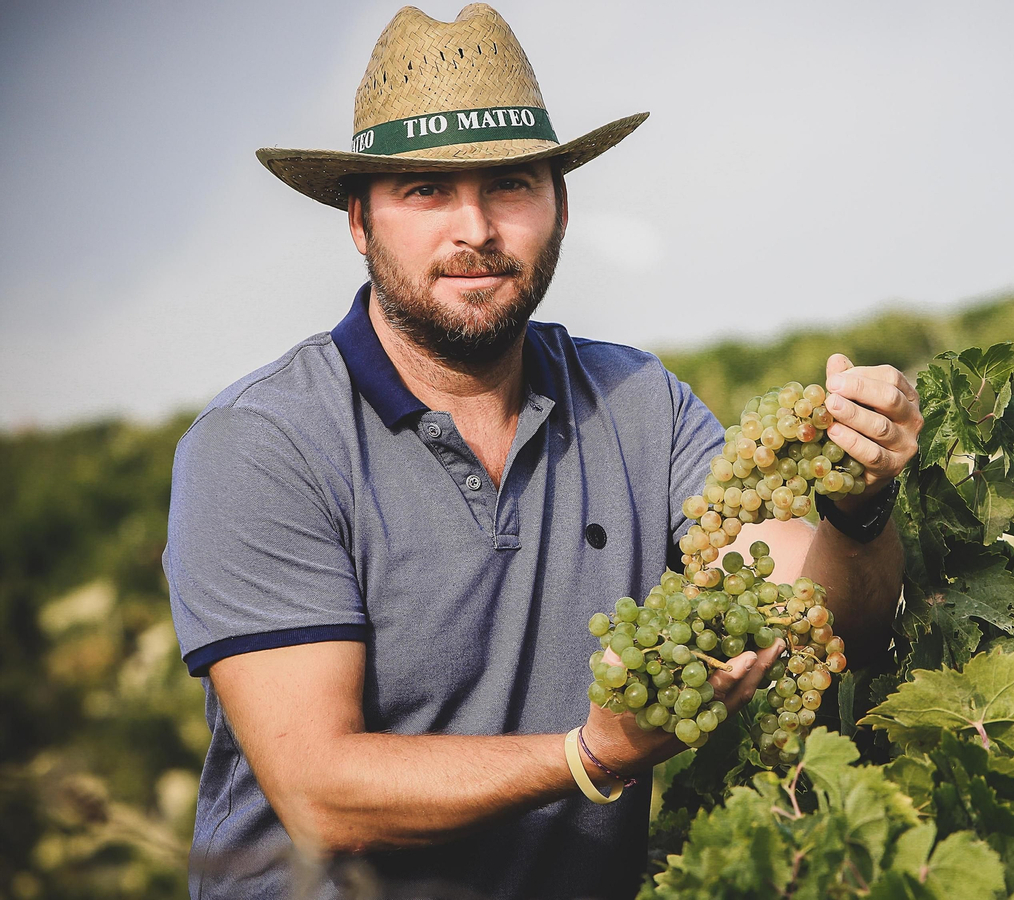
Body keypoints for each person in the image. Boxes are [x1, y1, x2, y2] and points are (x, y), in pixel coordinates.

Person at [163, 4, 922, 899]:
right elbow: (323, 796)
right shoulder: (264, 444)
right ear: (359, 223)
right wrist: (591, 755)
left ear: (560, 206)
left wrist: (859, 505)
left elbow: (828, 617)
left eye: (511, 185)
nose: (475, 230)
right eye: (426, 192)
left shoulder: (638, 403)